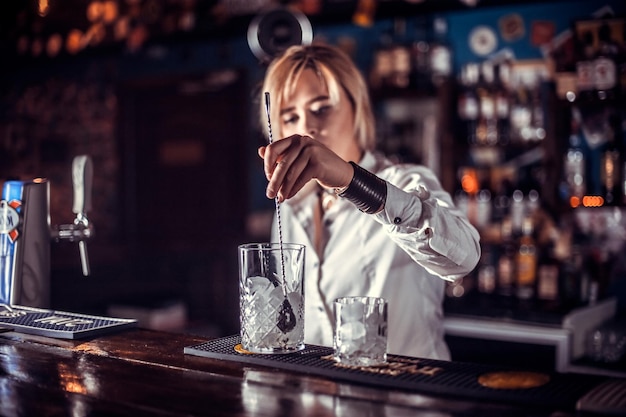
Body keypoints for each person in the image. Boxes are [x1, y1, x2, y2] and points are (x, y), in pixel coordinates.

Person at [257, 43, 481, 360]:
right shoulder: (293, 207)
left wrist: (352, 182)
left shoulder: (406, 181)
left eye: (321, 108)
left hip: (407, 399)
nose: (306, 128)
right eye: (290, 117)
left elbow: (465, 258)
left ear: (357, 107)